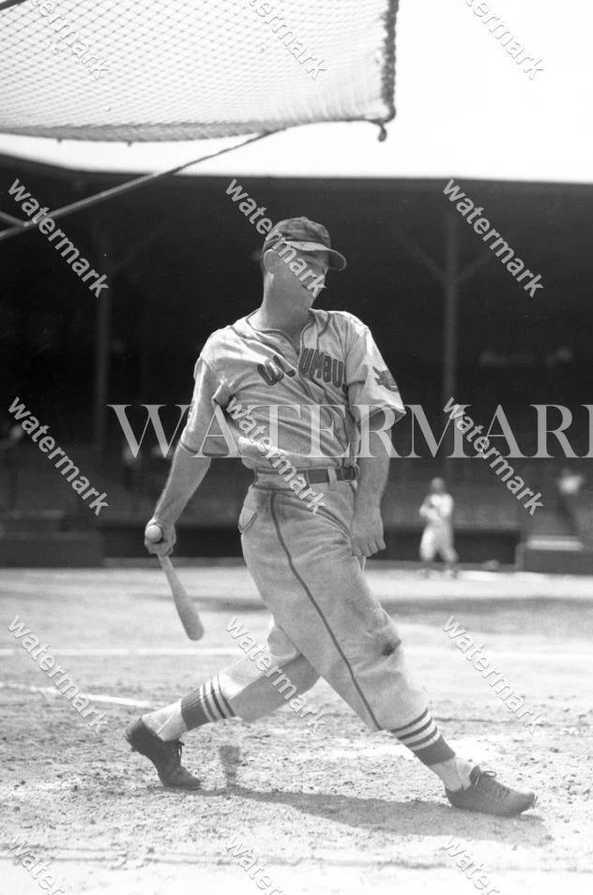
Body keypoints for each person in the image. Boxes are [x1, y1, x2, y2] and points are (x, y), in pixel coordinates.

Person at [124, 217, 536, 818]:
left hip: (338, 507)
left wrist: (368, 505)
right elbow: (196, 443)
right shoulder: (225, 349)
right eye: (307, 261)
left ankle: (158, 729)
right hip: (285, 513)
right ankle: (459, 777)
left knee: (292, 665)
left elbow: (375, 423)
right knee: (369, 641)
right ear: (273, 260)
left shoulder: (345, 332)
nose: (318, 274)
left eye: (325, 265)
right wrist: (165, 514)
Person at [418, 477, 459, 577]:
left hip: (443, 528)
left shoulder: (447, 498)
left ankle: (453, 569)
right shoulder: (430, 498)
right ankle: (426, 569)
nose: (435, 487)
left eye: (438, 485)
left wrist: (433, 506)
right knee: (426, 546)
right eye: (434, 485)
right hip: (431, 527)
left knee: (446, 549)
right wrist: (428, 508)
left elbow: (445, 514)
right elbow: (422, 512)